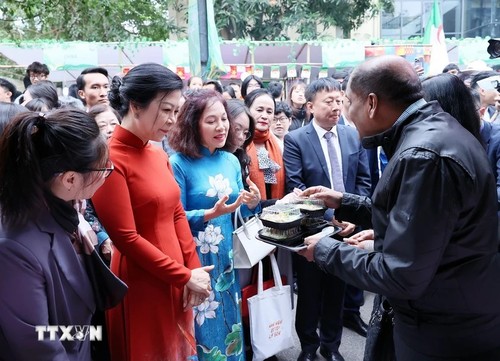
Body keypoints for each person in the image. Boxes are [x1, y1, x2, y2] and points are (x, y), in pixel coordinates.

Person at [299, 55, 500, 360]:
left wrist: (325, 250)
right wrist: (344, 202)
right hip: (450, 312)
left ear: (371, 103)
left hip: (442, 330)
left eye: (348, 102)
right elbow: (421, 221)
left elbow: (401, 273)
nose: (345, 115)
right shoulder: (433, 133)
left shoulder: (425, 155)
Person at [91, 63, 212, 361]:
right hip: (141, 282)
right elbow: (127, 238)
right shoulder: (111, 159)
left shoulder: (157, 153)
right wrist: (184, 275)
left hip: (176, 275)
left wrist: (193, 269)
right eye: (167, 110)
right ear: (135, 106)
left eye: (176, 111)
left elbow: (177, 213)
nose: (173, 120)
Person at [0, 108, 109, 360]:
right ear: (70, 179)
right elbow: (37, 343)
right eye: (104, 169)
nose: (106, 175)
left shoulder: (64, 208)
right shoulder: (13, 246)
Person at [168, 90, 261, 361]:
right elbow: (174, 218)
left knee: (229, 320)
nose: (221, 126)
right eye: (211, 121)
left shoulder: (231, 160)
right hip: (196, 258)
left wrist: (252, 202)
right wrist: (208, 213)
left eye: (223, 119)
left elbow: (235, 209)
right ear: (192, 124)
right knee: (202, 326)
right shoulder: (178, 164)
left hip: (227, 258)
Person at [283, 78, 371, 361]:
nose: (336, 107)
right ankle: (308, 347)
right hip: (311, 230)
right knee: (309, 292)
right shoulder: (296, 139)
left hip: (348, 228)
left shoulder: (351, 135)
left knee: (337, 291)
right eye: (328, 102)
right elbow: (296, 188)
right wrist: (333, 217)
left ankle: (331, 347)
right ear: (310, 106)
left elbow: (362, 181)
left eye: (338, 100)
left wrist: (354, 217)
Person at [245, 89, 286, 201]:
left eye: (269, 112)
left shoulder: (278, 143)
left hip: (275, 212)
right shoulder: (240, 143)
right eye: (259, 110)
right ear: (247, 110)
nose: (264, 116)